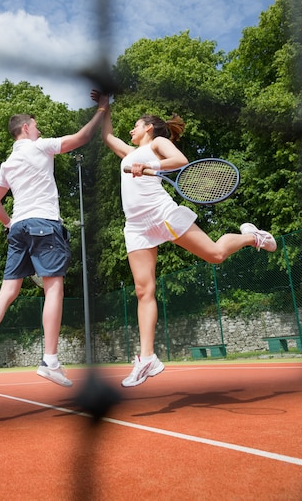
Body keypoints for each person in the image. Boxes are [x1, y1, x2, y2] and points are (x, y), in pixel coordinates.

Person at [96, 97, 277, 388]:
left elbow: (180, 161)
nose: (131, 129)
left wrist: (148, 166)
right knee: (144, 291)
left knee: (216, 255)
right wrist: (104, 107)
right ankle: (147, 358)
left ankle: (252, 236)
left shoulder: (155, 145)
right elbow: (106, 136)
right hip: (136, 226)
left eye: (135, 125)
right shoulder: (130, 152)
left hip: (162, 213)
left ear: (149, 128)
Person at [0, 92, 109, 387]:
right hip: (44, 223)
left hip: (18, 227)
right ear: (26, 128)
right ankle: (50, 360)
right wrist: (102, 108)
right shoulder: (40, 147)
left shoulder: (7, 163)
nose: (40, 129)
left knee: (8, 290)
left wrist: (8, 224)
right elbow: (82, 137)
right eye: (36, 125)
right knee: (54, 288)